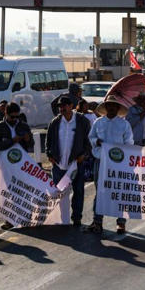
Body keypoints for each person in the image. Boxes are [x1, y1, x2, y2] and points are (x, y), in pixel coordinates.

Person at [86, 95, 134, 235]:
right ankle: (97, 221)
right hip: (101, 161)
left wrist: (121, 153)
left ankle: (121, 223)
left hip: (118, 164)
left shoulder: (124, 124)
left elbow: (129, 143)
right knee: (100, 191)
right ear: (106, 108)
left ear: (118, 108)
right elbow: (91, 138)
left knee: (120, 192)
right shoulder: (98, 123)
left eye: (114, 106)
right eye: (109, 106)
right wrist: (98, 142)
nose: (111, 108)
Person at [46, 96, 92, 227]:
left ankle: (76, 217)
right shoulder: (55, 122)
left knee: (78, 191)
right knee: (59, 193)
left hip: (76, 163)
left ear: (71, 105)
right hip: (59, 165)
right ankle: (62, 217)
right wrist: (49, 154)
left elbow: (89, 143)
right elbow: (48, 142)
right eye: (60, 106)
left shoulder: (82, 121)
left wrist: (84, 155)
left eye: (64, 105)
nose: (62, 108)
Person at [0, 103, 34, 229]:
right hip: (5, 165)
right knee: (7, 192)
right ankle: (9, 220)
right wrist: (12, 141)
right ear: (5, 114)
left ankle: (25, 218)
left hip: (21, 164)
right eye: (12, 117)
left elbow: (31, 144)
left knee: (22, 190)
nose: (15, 119)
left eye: (17, 117)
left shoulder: (24, 125)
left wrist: (27, 139)